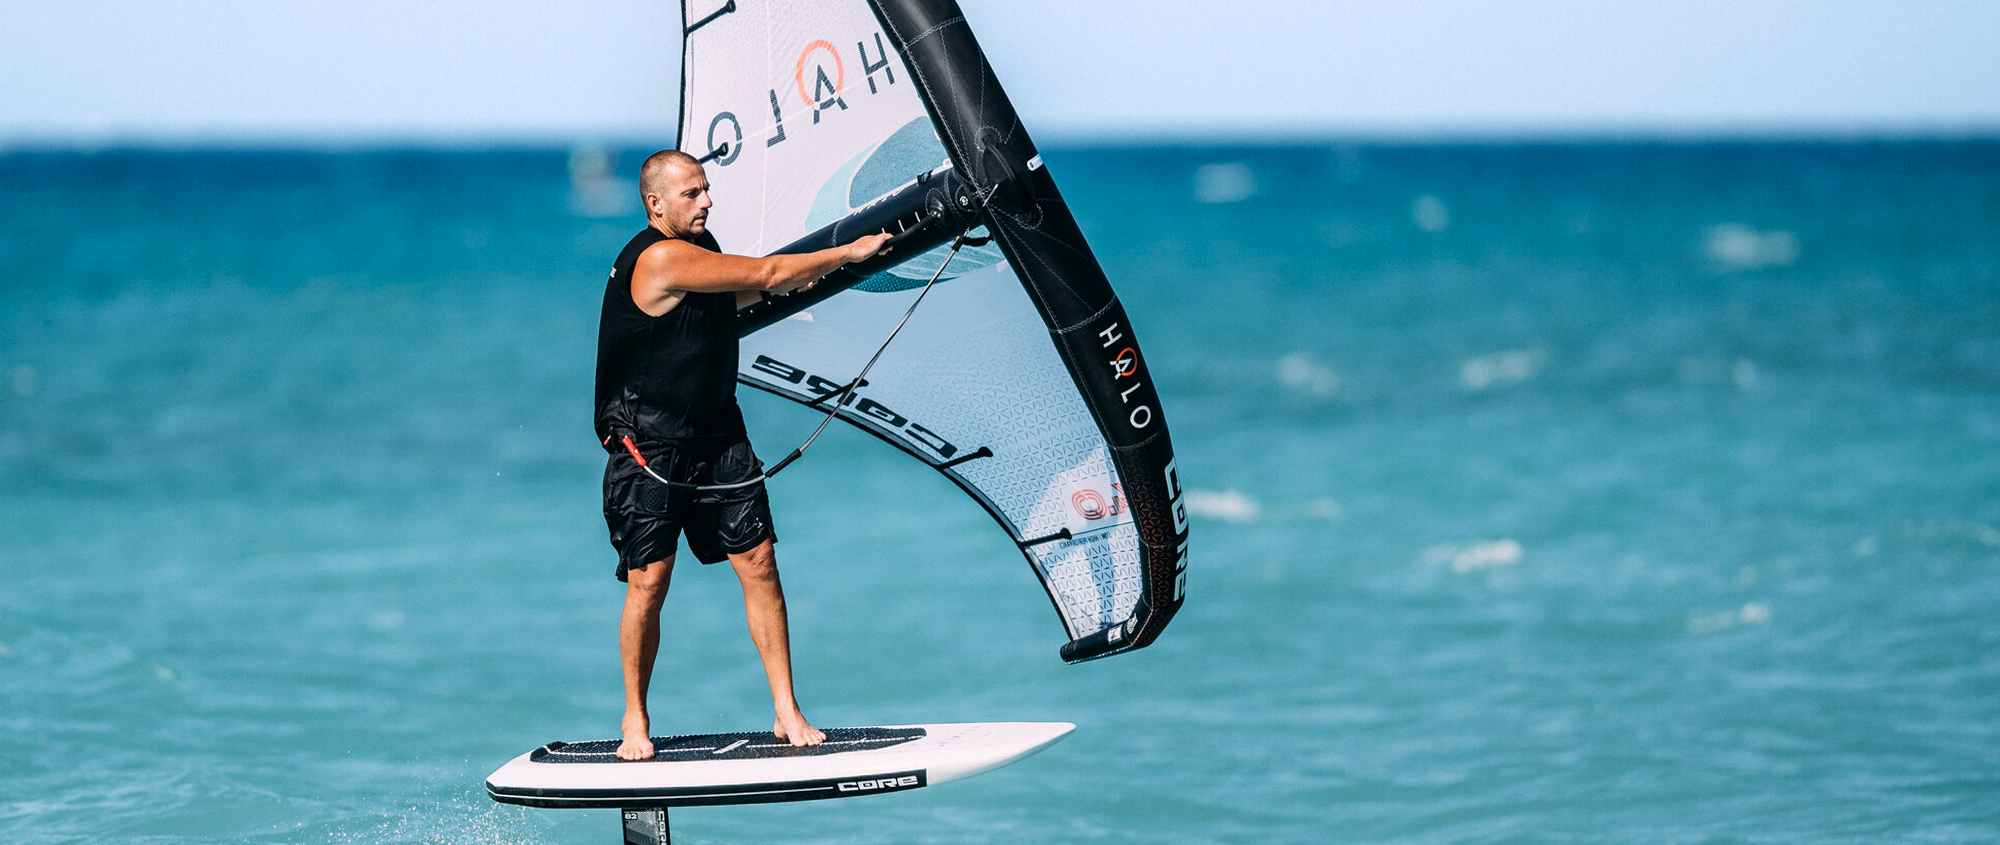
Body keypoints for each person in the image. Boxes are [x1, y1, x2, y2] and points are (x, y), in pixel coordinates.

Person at [595, 149, 892, 760]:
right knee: (650, 582)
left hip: (718, 436)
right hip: (649, 445)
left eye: (706, 189)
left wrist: (800, 282)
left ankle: (786, 709)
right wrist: (848, 252)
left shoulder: (698, 250)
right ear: (655, 203)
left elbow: (732, 302)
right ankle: (634, 718)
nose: (707, 201)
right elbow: (766, 273)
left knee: (759, 562)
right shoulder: (659, 257)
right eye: (692, 194)